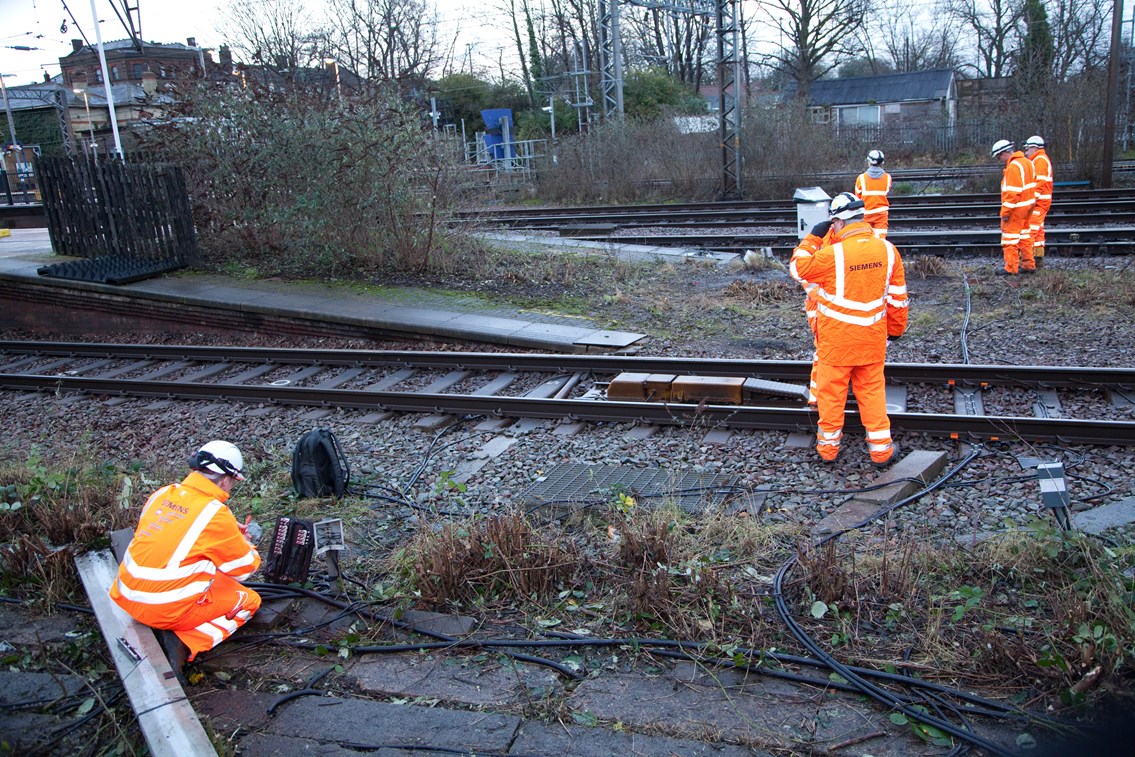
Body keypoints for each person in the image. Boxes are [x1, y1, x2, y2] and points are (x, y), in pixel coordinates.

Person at [109, 440, 261, 666]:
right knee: (249, 600)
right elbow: (243, 570)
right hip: (163, 609)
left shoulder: (162, 494)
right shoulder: (215, 514)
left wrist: (226, 529)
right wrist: (244, 543)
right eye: (233, 482)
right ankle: (187, 643)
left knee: (211, 576)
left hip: (126, 596)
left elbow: (170, 535)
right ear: (226, 479)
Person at [790, 192, 908, 466]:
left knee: (831, 397)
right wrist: (895, 330)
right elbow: (898, 298)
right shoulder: (889, 250)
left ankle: (828, 451)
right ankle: (881, 452)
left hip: (836, 343)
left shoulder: (832, 255)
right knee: (872, 395)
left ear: (838, 222)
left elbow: (797, 268)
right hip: (872, 341)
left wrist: (813, 236)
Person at [991, 139, 1036, 275]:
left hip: (1016, 208)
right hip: (1028, 205)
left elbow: (1012, 193)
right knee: (1025, 236)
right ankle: (1028, 264)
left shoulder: (1013, 167)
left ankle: (1011, 268)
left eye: (999, 156)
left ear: (1004, 152)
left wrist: (1005, 213)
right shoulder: (1027, 162)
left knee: (1009, 238)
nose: (999, 160)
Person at [1024, 135, 1052, 268]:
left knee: (1030, 230)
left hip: (1038, 202)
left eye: (1028, 149)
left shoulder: (1039, 160)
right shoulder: (1040, 159)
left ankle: (1027, 260)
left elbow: (1039, 183)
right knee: (1038, 230)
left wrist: (1031, 200)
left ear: (1035, 148)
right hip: (1041, 201)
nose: (1026, 152)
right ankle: (1038, 256)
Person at [855, 149, 892, 238]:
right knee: (880, 241)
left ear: (869, 162)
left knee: (865, 239)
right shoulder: (887, 178)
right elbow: (886, 192)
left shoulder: (861, 178)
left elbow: (857, 197)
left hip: (865, 214)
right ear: (882, 163)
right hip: (881, 214)